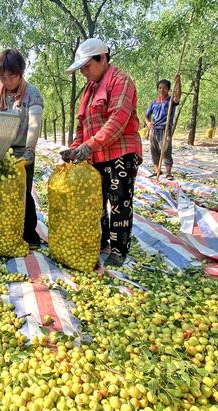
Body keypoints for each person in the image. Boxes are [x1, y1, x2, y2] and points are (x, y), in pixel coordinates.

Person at [60, 38, 142, 267]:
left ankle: (119, 249)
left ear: (103, 58)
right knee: (96, 201)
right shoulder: (89, 89)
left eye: (87, 66)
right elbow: (82, 125)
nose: (84, 71)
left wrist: (89, 146)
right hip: (95, 154)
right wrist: (76, 148)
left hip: (121, 153)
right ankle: (101, 239)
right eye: (82, 67)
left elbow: (117, 121)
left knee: (119, 202)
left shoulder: (120, 80)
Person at [0, 49, 44, 249]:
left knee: (22, 192)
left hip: (21, 152)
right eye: (3, 76)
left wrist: (30, 149)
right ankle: (2, 229)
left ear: (21, 72)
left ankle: (29, 232)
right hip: (0, 150)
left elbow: (34, 123)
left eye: (12, 75)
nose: (7, 80)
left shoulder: (32, 94)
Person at [145, 77, 182, 179]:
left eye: (165, 88)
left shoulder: (171, 101)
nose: (162, 90)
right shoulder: (154, 103)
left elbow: (178, 95)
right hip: (154, 129)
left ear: (168, 89)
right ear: (157, 89)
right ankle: (157, 170)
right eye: (160, 88)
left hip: (165, 129)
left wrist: (178, 81)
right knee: (154, 150)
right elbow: (146, 115)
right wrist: (148, 123)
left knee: (165, 150)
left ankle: (169, 173)